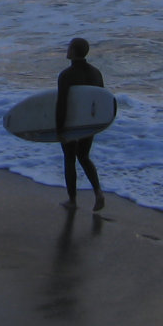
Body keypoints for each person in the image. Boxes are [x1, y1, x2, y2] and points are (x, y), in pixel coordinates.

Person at [56, 37, 106, 211]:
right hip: (89, 123)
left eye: (69, 47)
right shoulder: (96, 73)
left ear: (74, 52)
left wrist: (60, 129)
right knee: (84, 157)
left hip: (71, 123)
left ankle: (72, 201)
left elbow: (62, 104)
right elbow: (102, 100)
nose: (67, 49)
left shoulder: (66, 75)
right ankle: (98, 192)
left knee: (70, 159)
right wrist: (98, 124)